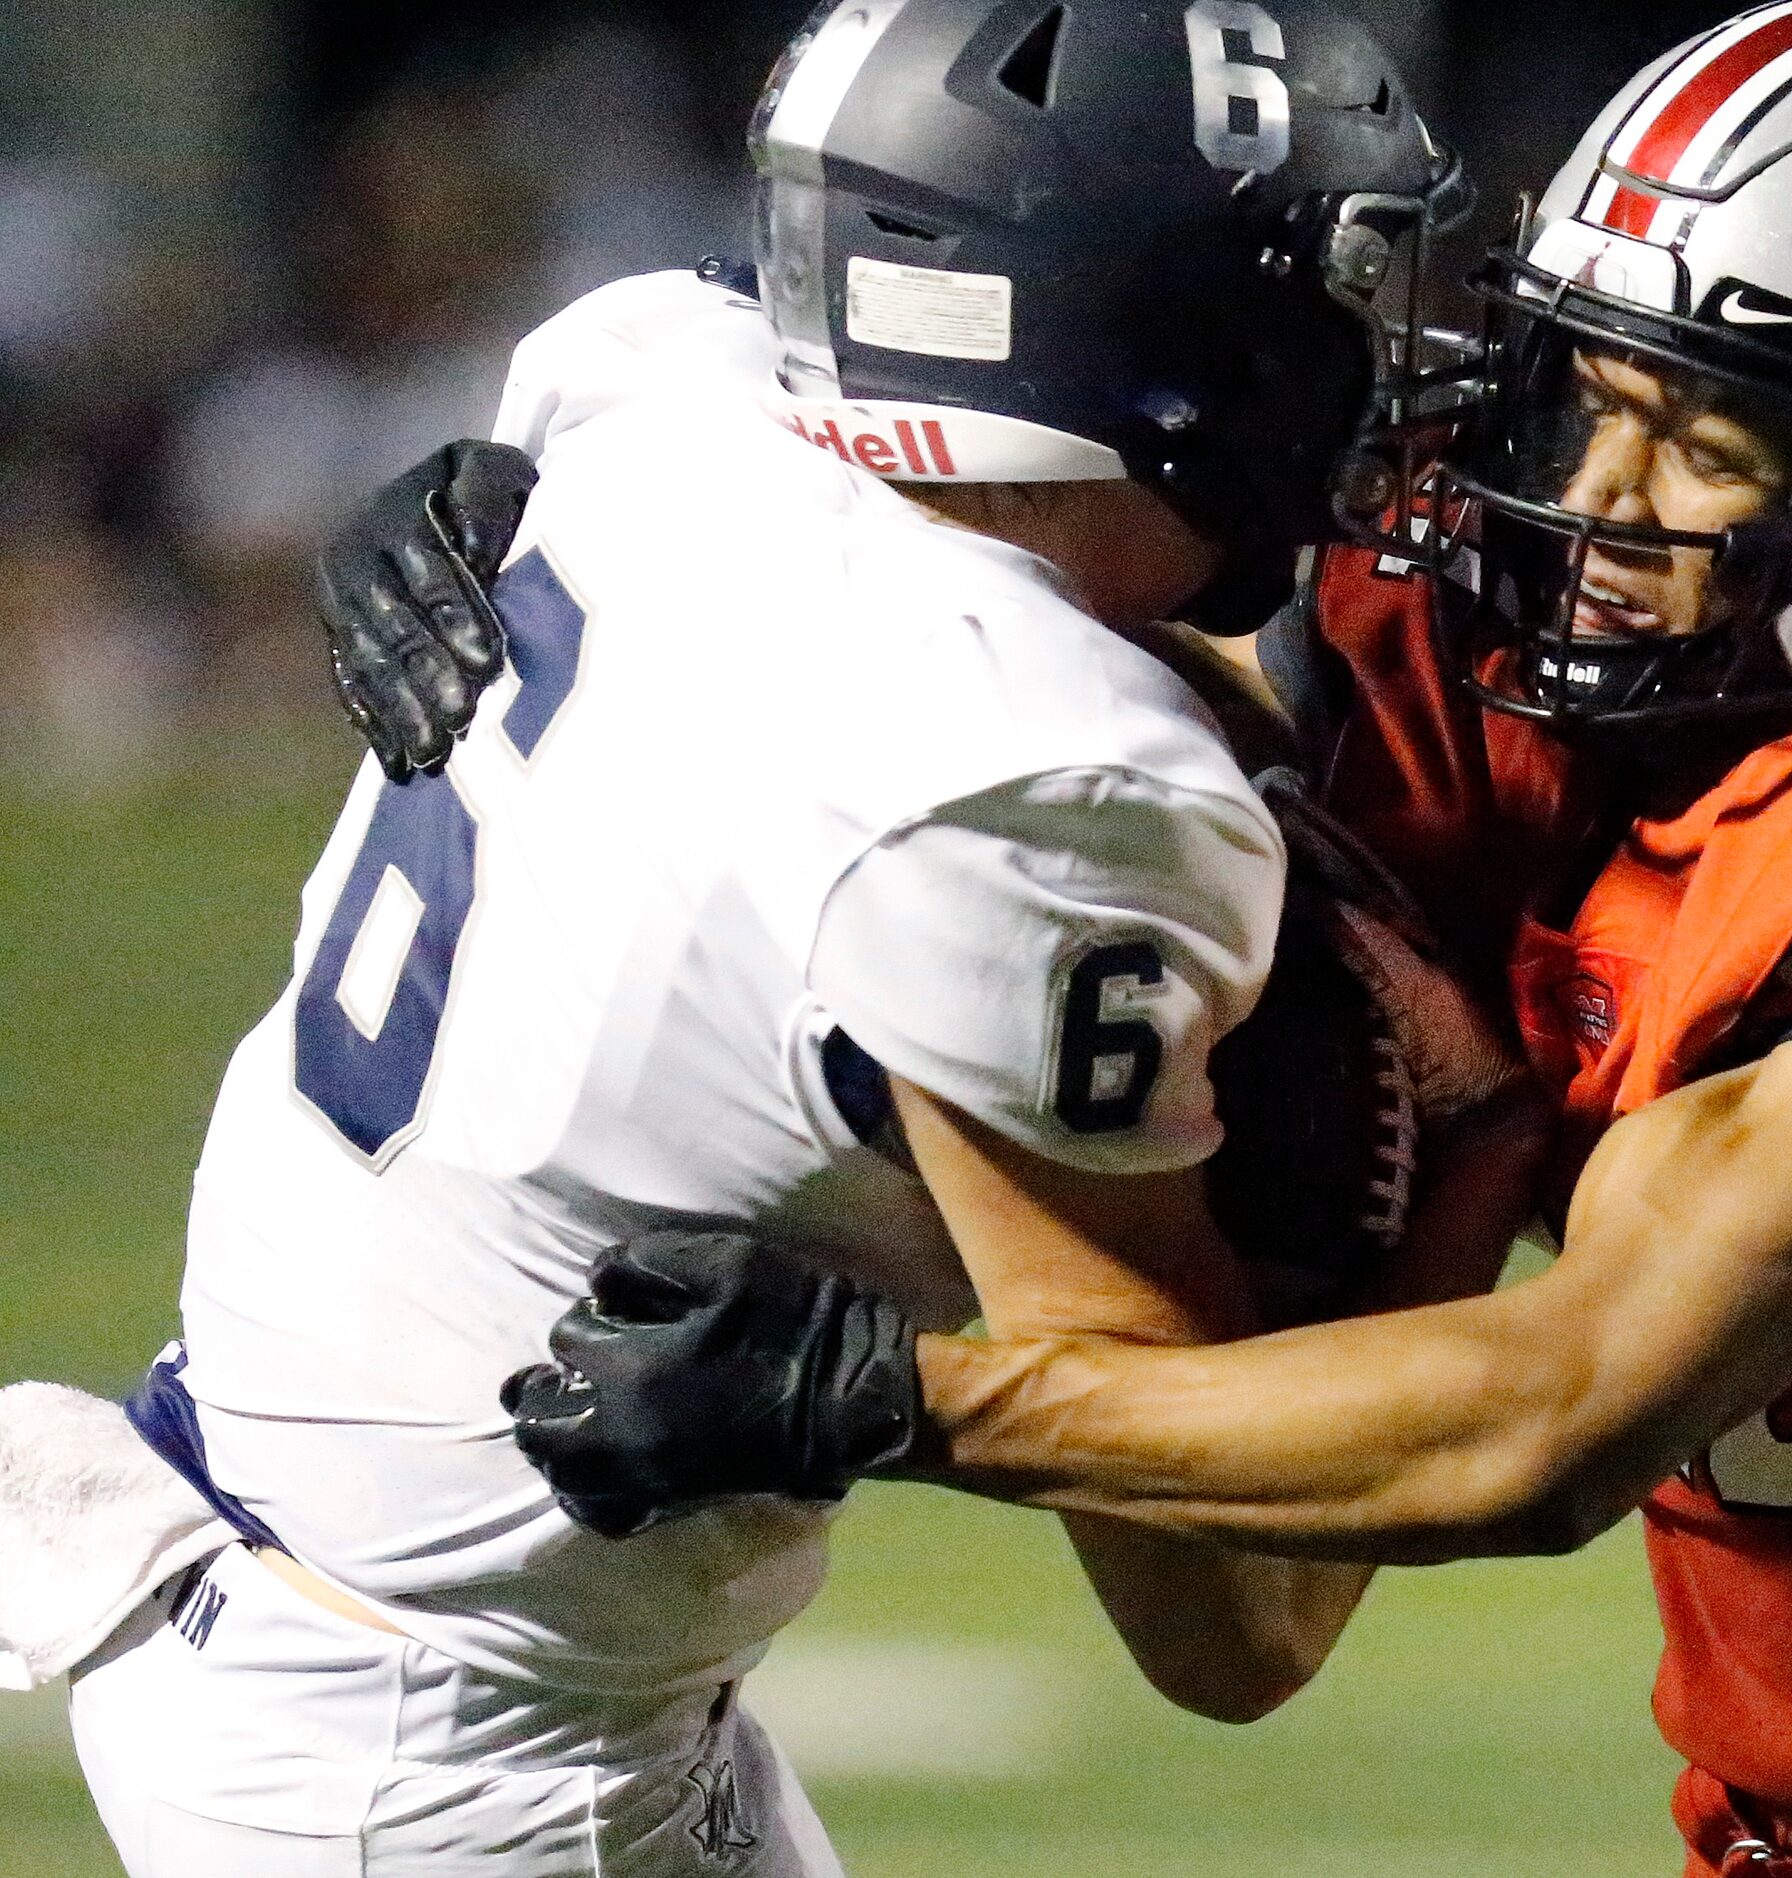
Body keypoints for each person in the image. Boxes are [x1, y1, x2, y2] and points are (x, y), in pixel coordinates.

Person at [349, 9, 1792, 1876]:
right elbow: (1002, 464)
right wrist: (574, 529)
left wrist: (894, 1399)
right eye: (1591, 389)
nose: (1597, 489)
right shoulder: (1535, 660)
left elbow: (1555, 1418)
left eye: (1710, 434)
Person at [63, 4, 1485, 1873]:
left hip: (325, 1585)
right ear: (1168, 337)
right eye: (1325, 292)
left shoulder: (660, 380)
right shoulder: (1035, 783)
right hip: (448, 1764)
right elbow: (1234, 1623)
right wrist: (1470, 1124)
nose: (1374, 359)